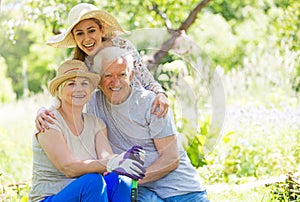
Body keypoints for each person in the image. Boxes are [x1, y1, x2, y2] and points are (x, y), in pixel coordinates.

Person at [87, 46, 210, 202]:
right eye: (108, 75)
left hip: (181, 191)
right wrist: (46, 112)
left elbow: (171, 158)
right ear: (98, 78)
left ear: (131, 76)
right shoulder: (93, 104)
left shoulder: (150, 103)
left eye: (122, 74)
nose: (115, 81)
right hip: (141, 193)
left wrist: (129, 181)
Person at [29, 60, 146, 202]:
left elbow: (106, 159)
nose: (79, 89)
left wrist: (124, 159)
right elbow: (68, 168)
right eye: (71, 84)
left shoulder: (96, 124)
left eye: (84, 83)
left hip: (88, 195)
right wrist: (111, 163)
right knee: (93, 182)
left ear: (90, 90)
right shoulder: (48, 122)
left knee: (121, 180)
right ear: (59, 91)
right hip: (50, 197)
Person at [39, 3, 168, 127]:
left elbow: (146, 78)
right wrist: (44, 111)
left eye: (91, 31)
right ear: (74, 37)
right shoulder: (80, 62)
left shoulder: (122, 46)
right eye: (80, 33)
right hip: (109, 120)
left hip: (138, 109)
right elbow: (64, 94)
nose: (87, 38)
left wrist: (160, 94)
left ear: (101, 30)